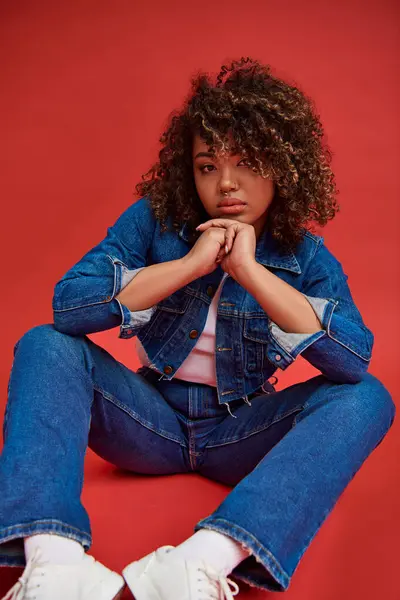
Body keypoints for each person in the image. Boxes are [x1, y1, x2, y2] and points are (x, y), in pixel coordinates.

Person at [0, 57, 395, 600]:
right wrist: (190, 266)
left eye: (247, 162)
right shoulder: (154, 223)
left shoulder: (305, 254)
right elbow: (69, 307)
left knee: (368, 398)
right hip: (150, 423)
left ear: (283, 165)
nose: (226, 183)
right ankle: (54, 559)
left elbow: (353, 359)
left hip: (241, 432)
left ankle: (200, 563)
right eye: (208, 166)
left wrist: (252, 274)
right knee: (44, 343)